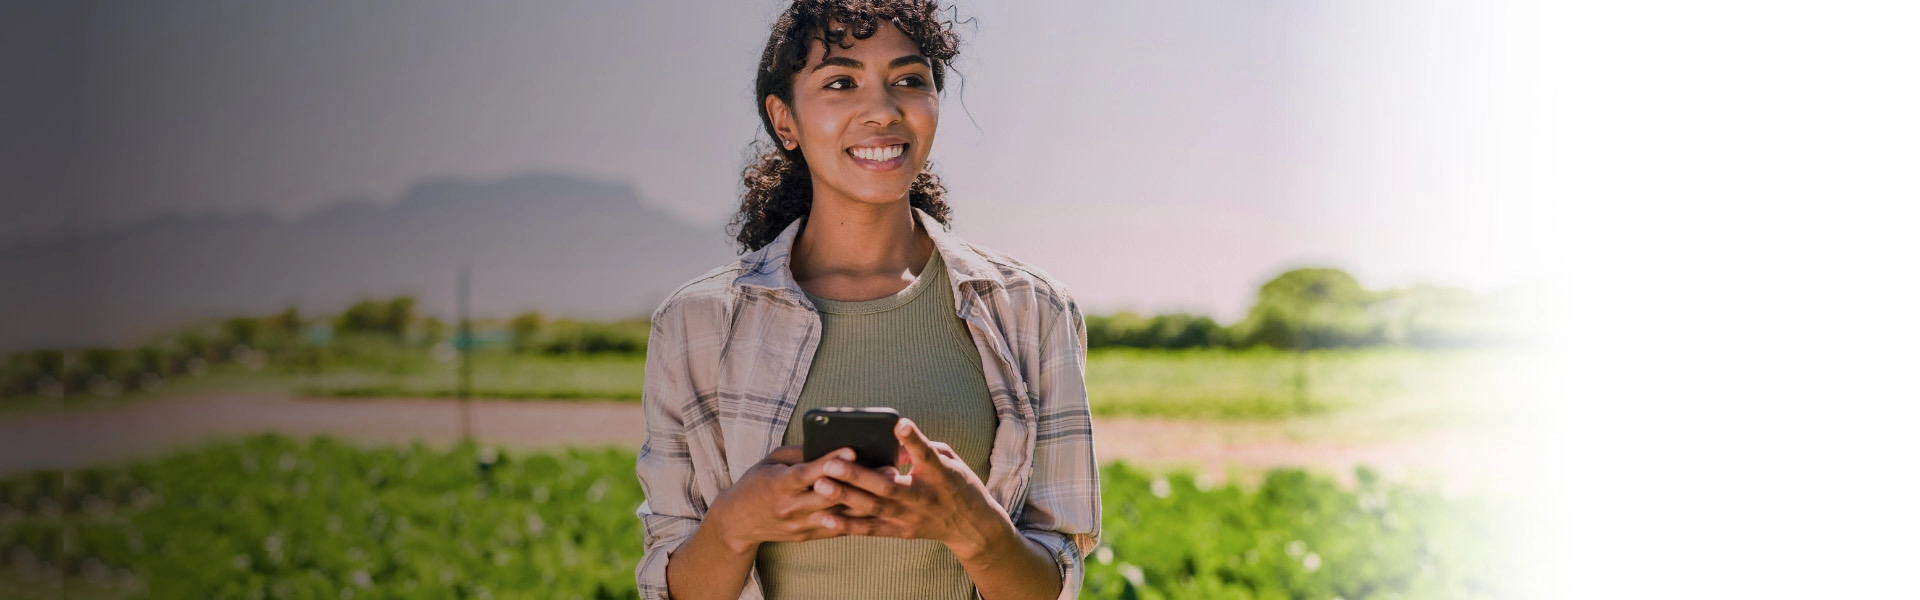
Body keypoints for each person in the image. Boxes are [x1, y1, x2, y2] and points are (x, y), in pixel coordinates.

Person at [633, 2, 1099, 599]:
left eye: (909, 81)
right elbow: (669, 587)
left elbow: (1055, 583)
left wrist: (975, 530)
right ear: (785, 120)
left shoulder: (1031, 312)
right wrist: (733, 526)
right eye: (840, 82)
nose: (882, 111)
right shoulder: (695, 324)